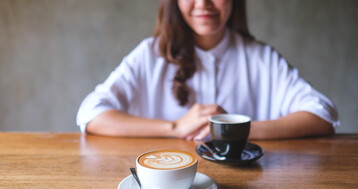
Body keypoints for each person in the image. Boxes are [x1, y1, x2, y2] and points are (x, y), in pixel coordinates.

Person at [76, 0, 339, 140]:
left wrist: (236, 129)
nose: (203, 3)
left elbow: (322, 114)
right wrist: (176, 127)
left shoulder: (260, 57)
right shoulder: (149, 54)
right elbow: (91, 114)